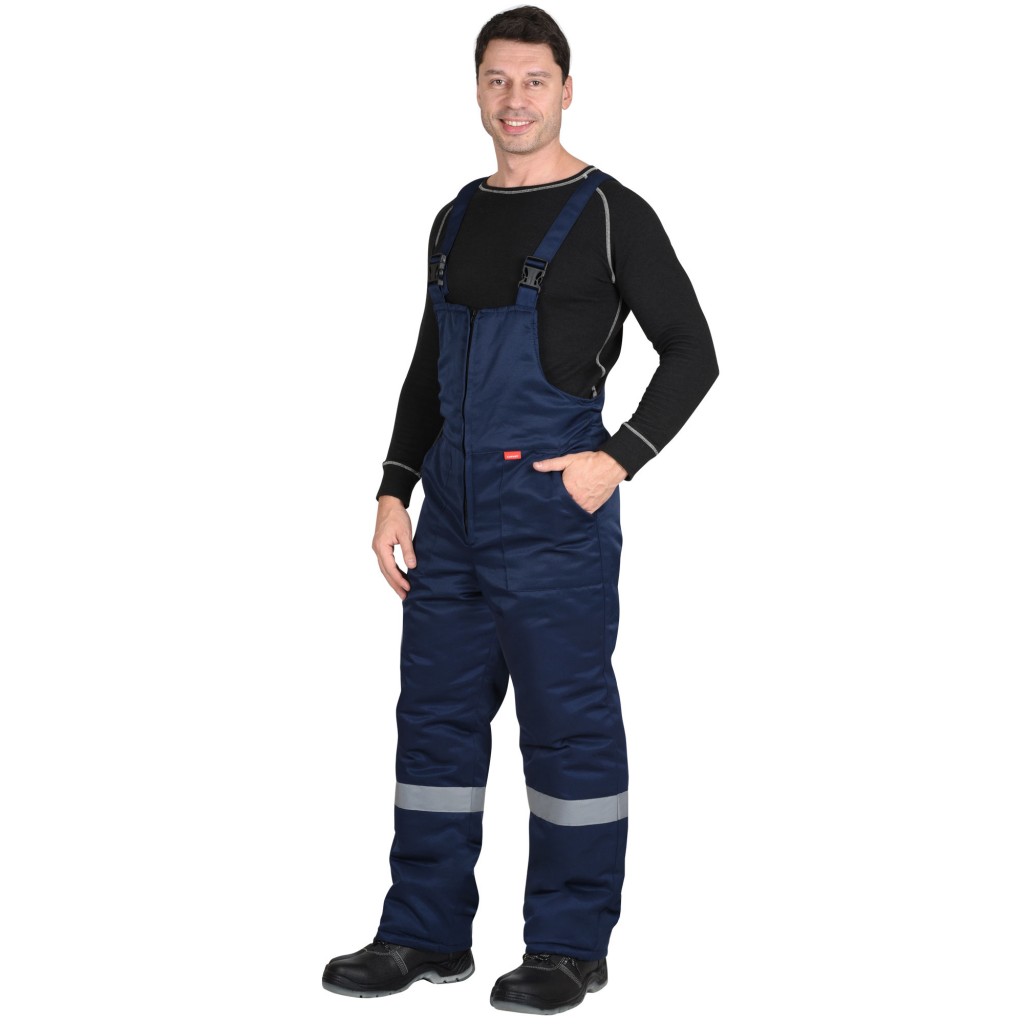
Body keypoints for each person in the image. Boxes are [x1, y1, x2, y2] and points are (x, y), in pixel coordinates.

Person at [322, 5, 719, 1014]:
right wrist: (393, 487)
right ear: (476, 89)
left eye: (534, 80)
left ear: (567, 90)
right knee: (435, 726)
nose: (515, 99)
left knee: (567, 729)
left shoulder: (611, 213)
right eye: (497, 79)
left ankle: (569, 947)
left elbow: (694, 353)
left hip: (551, 510)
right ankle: (422, 931)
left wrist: (616, 461)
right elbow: (428, 366)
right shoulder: (453, 217)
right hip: (450, 516)